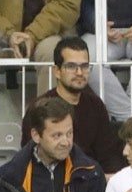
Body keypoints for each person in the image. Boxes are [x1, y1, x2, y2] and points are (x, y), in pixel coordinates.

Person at [22, 39, 124, 174]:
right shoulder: (40, 108)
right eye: (71, 66)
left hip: (93, 183)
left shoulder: (96, 105)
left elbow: (107, 155)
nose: (80, 72)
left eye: (85, 66)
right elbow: (31, 159)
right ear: (57, 71)